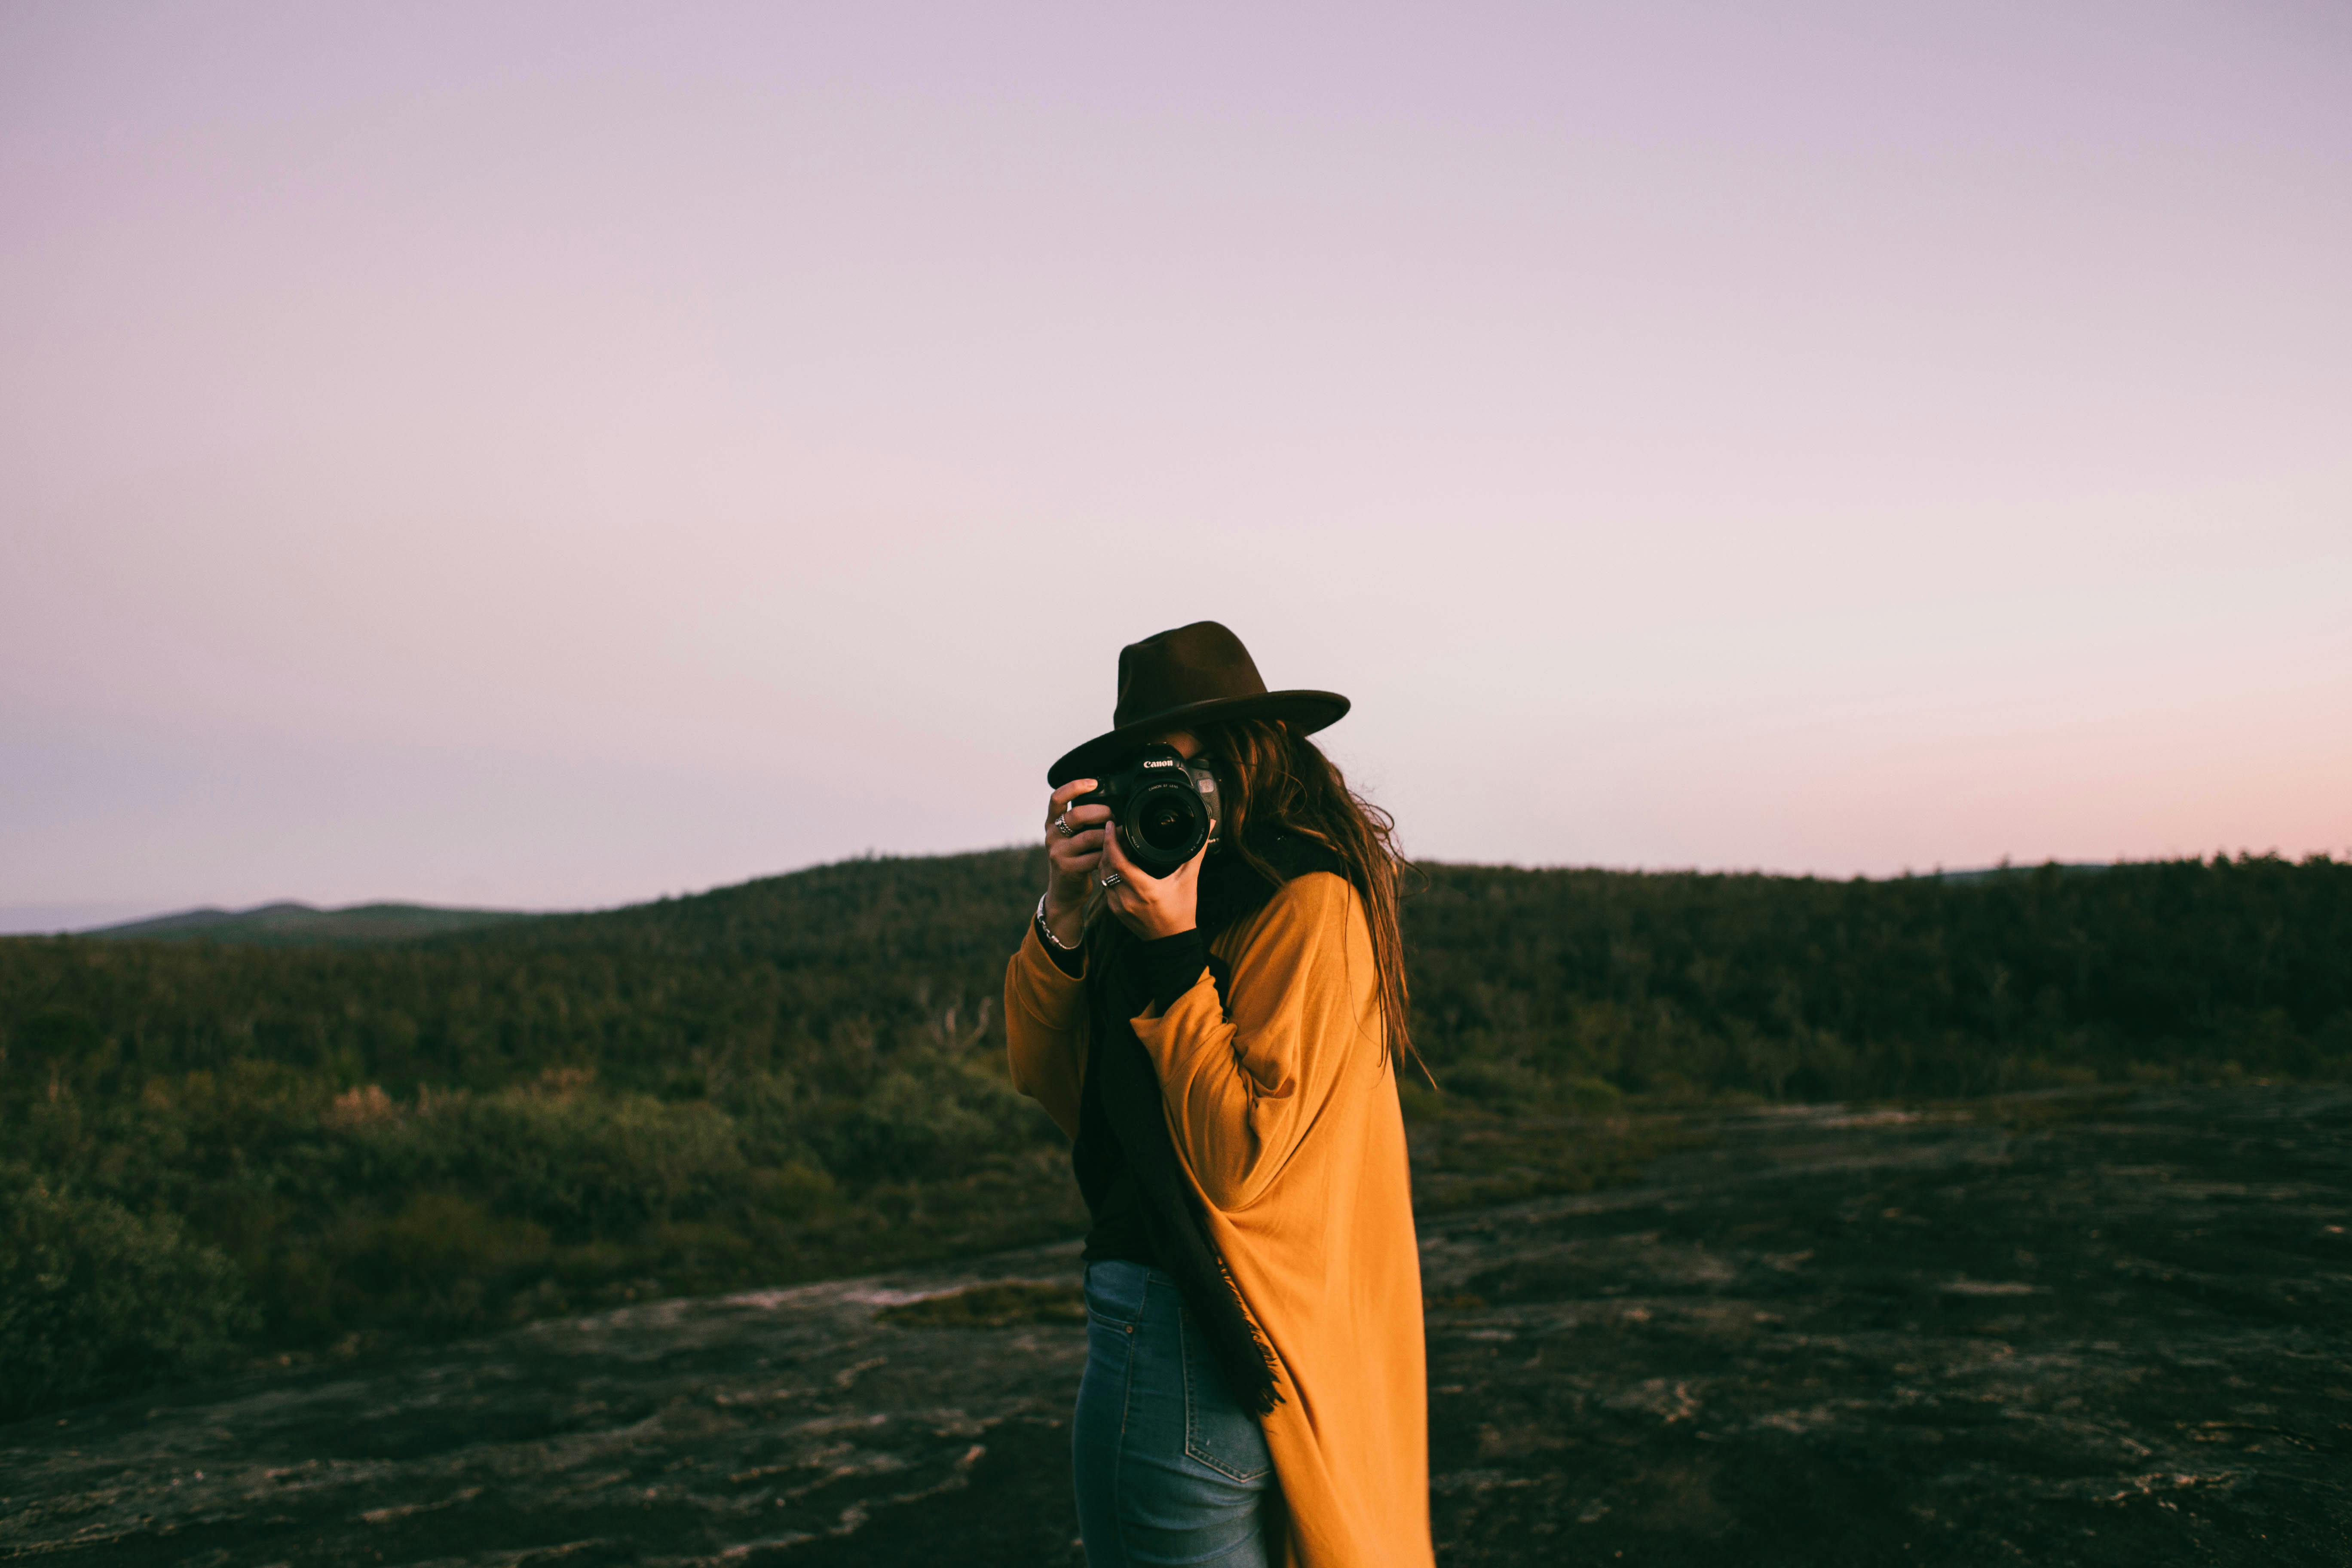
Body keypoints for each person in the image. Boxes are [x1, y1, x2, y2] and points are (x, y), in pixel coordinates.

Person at [1003, 621, 1433, 1568]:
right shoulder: (1152, 896)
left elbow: (1243, 1165)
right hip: (1220, 1334)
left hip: (1193, 1329)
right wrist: (1066, 915)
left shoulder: (1300, 900)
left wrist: (1173, 952)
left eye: (1192, 774)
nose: (1175, 802)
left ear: (1256, 754)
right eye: (1148, 779)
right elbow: (1047, 1076)